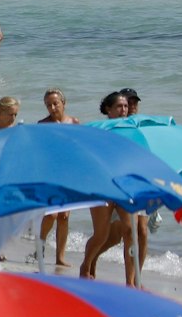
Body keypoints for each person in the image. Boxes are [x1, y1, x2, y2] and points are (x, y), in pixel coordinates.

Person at [79, 91, 143, 285]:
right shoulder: (99, 130)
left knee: (130, 232)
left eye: (125, 106)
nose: (124, 110)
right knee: (101, 234)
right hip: (103, 185)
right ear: (108, 109)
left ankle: (130, 282)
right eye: (119, 107)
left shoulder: (132, 129)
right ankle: (86, 265)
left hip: (125, 186)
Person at [34, 89, 80, 265]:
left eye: (55, 104)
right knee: (52, 214)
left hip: (69, 173)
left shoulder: (74, 122)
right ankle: (41, 243)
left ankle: (60, 257)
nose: (52, 108)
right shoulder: (42, 125)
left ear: (63, 103)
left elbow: (79, 149)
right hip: (50, 172)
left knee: (64, 216)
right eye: (48, 105)